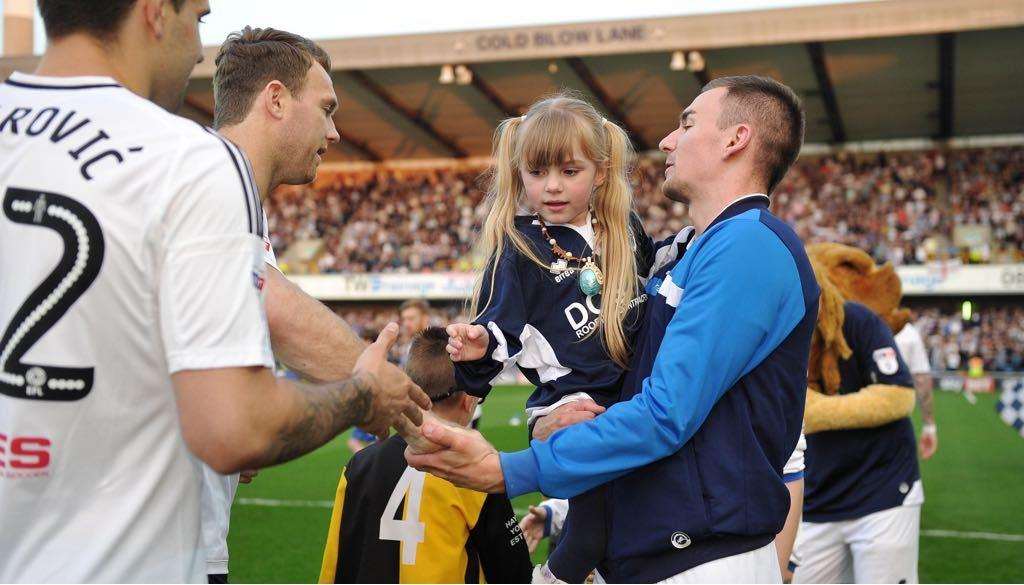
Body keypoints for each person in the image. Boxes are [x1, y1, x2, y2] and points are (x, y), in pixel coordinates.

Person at [0, 3, 428, 582]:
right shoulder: (188, 163)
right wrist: (367, 394)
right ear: (155, 12)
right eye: (196, 17)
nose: (198, 49)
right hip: (126, 561)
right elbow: (234, 426)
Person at [407, 75, 818, 583]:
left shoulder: (746, 248)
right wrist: (547, 412)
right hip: (655, 547)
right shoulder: (690, 250)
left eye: (686, 123)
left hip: (699, 557)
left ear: (736, 139)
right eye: (538, 171)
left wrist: (513, 469)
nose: (666, 140)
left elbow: (666, 413)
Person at [204, 26, 427, 583]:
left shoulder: (228, 195)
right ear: (276, 99)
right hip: (154, 548)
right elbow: (279, 313)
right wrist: (398, 401)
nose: (335, 130)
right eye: (326, 108)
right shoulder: (212, 178)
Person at [445, 93, 651, 582]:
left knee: (631, 527)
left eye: (569, 171)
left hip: (630, 399)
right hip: (571, 402)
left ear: (601, 172)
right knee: (592, 530)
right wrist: (479, 343)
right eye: (537, 174)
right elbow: (500, 328)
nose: (552, 187)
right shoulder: (519, 248)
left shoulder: (623, 228)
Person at [319, 328, 532, 584]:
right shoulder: (478, 469)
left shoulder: (358, 465)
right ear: (469, 399)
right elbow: (513, 572)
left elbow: (337, 561)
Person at [792, 265, 922, 584]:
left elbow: (899, 395)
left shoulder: (857, 320)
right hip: (818, 496)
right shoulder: (775, 334)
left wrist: (819, 411)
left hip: (883, 488)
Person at [894, 319, 938, 459]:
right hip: (895, 420)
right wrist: (929, 426)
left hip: (852, 422)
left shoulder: (850, 321)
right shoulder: (909, 333)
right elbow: (921, 381)